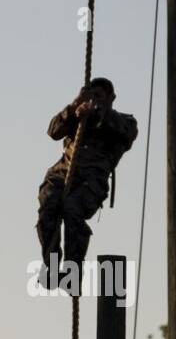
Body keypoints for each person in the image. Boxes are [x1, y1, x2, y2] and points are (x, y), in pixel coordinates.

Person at [35, 77, 138, 287]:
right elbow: (53, 131)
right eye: (91, 96)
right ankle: (52, 268)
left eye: (99, 96)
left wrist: (97, 112)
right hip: (61, 175)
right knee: (49, 208)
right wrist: (74, 107)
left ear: (112, 98)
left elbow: (126, 134)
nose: (94, 101)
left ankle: (72, 273)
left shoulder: (123, 122)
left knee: (72, 209)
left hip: (91, 182)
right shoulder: (77, 116)